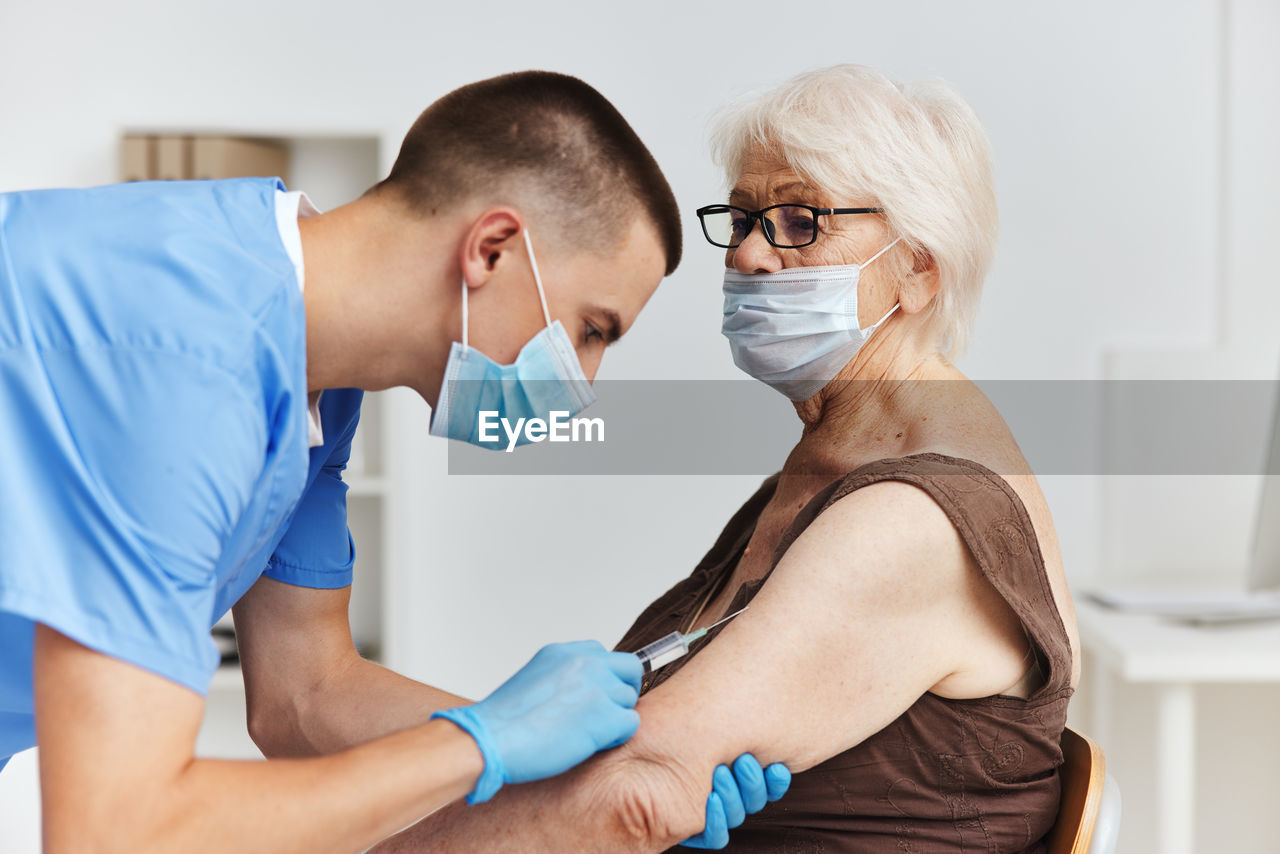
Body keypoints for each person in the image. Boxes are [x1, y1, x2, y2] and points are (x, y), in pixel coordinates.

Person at [0, 71, 786, 853]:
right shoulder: (188, 365)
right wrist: (484, 740)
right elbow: (116, 828)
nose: (584, 381)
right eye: (591, 330)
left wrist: (599, 768)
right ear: (492, 249)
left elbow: (304, 695)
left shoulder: (310, 374)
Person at [368, 64, 1082, 853]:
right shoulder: (824, 471)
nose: (748, 255)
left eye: (801, 221)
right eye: (742, 220)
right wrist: (496, 740)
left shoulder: (914, 520)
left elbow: (639, 790)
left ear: (918, 268)